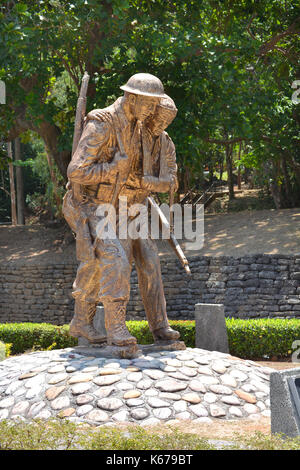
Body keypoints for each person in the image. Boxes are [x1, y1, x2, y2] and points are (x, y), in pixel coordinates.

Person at [63, 73, 180, 348]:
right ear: (132, 98)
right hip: (87, 203)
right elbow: (76, 171)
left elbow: (161, 175)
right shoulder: (102, 123)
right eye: (150, 105)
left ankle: (81, 321)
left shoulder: (138, 127)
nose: (153, 113)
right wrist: (112, 169)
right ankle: (115, 328)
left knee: (97, 262)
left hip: (116, 207)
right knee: (114, 257)